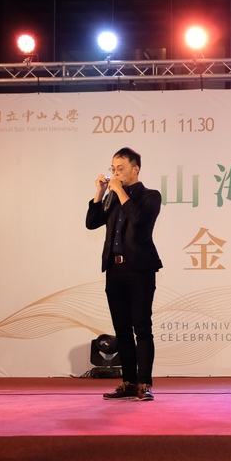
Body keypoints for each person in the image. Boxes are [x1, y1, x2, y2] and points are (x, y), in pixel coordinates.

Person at [87, 147, 162, 402]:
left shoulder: (150, 196)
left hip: (139, 270)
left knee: (141, 327)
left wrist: (119, 190)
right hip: (114, 271)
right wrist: (100, 193)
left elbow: (140, 223)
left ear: (135, 169)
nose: (115, 173)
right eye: (113, 169)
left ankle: (144, 384)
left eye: (120, 168)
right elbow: (91, 221)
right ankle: (128, 382)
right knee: (122, 330)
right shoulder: (111, 198)